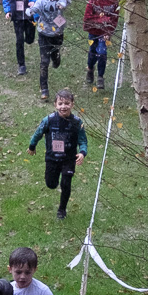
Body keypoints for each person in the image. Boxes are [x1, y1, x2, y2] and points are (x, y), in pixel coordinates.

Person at [28, 88, 88, 219]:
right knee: (51, 184)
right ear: (55, 105)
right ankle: (53, 182)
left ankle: (62, 209)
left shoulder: (77, 122)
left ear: (72, 104)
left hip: (69, 159)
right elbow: (38, 133)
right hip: (52, 158)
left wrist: (82, 153)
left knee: (66, 183)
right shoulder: (49, 120)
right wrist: (32, 146)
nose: (63, 106)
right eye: (60, 103)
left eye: (67, 103)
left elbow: (83, 140)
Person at [27, 0, 70, 101]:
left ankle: (56, 59)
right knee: (44, 62)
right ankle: (44, 89)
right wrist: (30, 11)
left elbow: (64, 4)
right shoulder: (41, 1)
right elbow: (35, 8)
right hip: (44, 33)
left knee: (55, 54)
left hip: (57, 33)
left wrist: (60, 6)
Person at [3, 0, 44, 79]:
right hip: (17, 14)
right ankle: (21, 65)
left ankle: (29, 38)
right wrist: (8, 11)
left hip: (30, 14)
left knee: (30, 39)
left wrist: (35, 2)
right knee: (19, 39)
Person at [83, 0, 119, 91]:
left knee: (102, 53)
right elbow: (87, 18)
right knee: (93, 52)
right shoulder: (92, 2)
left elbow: (114, 19)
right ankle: (90, 69)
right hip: (93, 32)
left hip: (105, 33)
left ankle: (100, 77)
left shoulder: (113, 3)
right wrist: (103, 19)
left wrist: (109, 32)